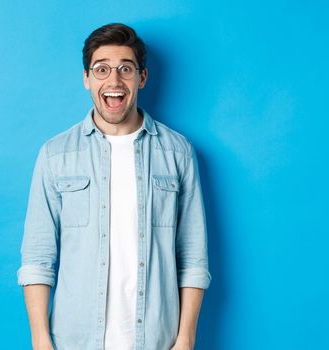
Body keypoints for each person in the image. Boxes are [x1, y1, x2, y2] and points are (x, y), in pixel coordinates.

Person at [17, 23, 211, 350]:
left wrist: (185, 340)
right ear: (87, 78)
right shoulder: (56, 154)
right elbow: (37, 257)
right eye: (102, 69)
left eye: (125, 69)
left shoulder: (178, 153)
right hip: (74, 341)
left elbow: (193, 257)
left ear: (142, 77)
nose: (114, 80)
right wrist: (40, 340)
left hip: (156, 340)